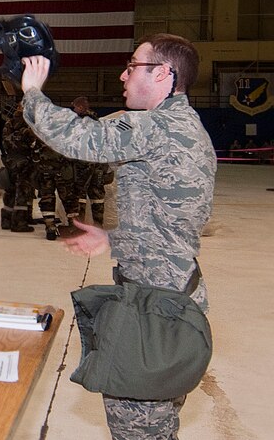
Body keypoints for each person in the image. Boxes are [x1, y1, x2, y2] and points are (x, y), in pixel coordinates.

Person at [20, 33, 215, 439]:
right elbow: (173, 219)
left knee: (139, 430)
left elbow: (79, 139)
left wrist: (33, 94)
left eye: (133, 66)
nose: (123, 75)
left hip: (153, 310)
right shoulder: (185, 125)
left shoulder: (155, 126)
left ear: (163, 73)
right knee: (155, 428)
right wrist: (116, 240)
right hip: (170, 292)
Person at [69, 97, 112, 225]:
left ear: (81, 107)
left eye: (75, 107)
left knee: (80, 194)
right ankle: (98, 225)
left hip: (84, 163)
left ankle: (81, 227)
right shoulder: (98, 122)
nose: (74, 110)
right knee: (97, 195)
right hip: (98, 164)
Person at [0, 103, 36, 232]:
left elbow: (5, 142)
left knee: (10, 190)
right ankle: (19, 222)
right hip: (25, 162)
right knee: (23, 191)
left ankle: (6, 220)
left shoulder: (9, 123)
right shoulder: (29, 124)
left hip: (10, 161)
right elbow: (34, 143)